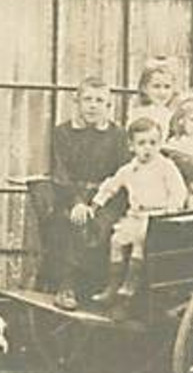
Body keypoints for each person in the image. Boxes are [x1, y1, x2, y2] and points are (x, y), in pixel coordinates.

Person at [44, 77, 130, 310]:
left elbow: (123, 173)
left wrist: (98, 203)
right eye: (87, 100)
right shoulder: (63, 133)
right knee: (71, 222)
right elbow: (60, 172)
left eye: (99, 101)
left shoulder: (118, 135)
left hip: (107, 197)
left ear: (108, 106)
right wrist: (77, 202)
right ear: (77, 102)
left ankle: (100, 288)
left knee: (102, 225)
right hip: (71, 194)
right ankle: (67, 285)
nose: (93, 106)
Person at [86, 115, 189, 307]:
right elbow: (111, 186)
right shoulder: (129, 169)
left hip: (159, 216)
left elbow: (178, 190)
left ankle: (131, 282)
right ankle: (113, 284)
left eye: (153, 143)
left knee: (141, 238)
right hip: (135, 215)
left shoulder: (166, 167)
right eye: (142, 143)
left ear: (160, 144)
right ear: (131, 146)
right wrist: (96, 204)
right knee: (117, 240)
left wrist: (173, 209)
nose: (148, 148)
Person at [131, 59, 180, 134]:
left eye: (167, 87)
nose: (162, 92)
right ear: (144, 88)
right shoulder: (139, 114)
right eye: (156, 86)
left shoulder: (174, 114)